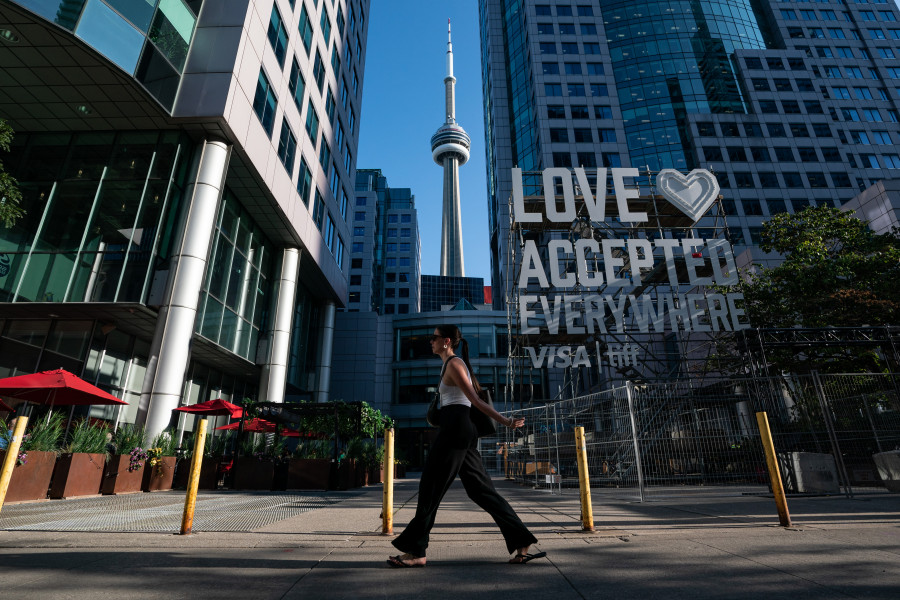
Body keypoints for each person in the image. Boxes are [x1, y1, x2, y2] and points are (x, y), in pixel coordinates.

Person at [387, 325, 546, 567]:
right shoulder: (448, 364)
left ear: (447, 341)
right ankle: (522, 541)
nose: (430, 341)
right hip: (457, 430)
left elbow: (474, 399)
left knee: (430, 488)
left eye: (434, 337)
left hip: (456, 432)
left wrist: (506, 421)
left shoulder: (454, 364)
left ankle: (416, 551)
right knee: (481, 491)